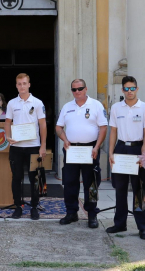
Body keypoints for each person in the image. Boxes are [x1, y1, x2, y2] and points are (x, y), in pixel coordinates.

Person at [106, 76, 145, 240]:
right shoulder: (116, 108)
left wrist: (144, 152)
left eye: (132, 88)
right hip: (120, 148)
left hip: (138, 149)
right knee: (120, 189)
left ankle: (142, 227)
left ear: (137, 89)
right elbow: (113, 131)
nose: (129, 91)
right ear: (122, 90)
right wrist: (111, 153)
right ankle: (120, 223)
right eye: (126, 89)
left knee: (140, 189)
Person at [56, 78, 107, 228]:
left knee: (91, 183)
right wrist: (64, 139)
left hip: (90, 149)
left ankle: (92, 214)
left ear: (86, 89)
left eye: (80, 89)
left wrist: (97, 147)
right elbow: (59, 127)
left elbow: (103, 128)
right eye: (74, 89)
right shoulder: (67, 107)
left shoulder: (96, 105)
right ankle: (71, 212)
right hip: (71, 149)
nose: (77, 92)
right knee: (70, 182)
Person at [4, 74, 47, 220]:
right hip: (16, 147)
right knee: (17, 178)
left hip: (33, 147)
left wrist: (43, 145)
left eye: (24, 83)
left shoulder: (38, 103)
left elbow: (42, 124)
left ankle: (34, 207)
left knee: (34, 178)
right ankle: (18, 206)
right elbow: (7, 122)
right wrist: (8, 136)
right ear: (16, 86)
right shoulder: (11, 103)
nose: (22, 86)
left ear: (29, 84)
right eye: (19, 84)